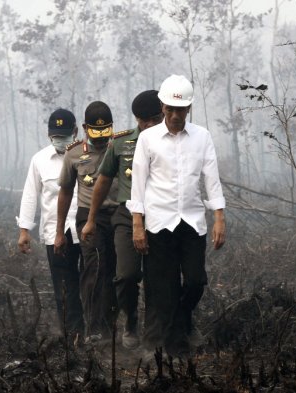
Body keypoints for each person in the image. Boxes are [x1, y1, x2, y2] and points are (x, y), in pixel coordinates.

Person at [127, 75, 226, 356]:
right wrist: (138, 224)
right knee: (165, 289)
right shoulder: (147, 139)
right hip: (159, 224)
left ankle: (180, 323)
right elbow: (138, 184)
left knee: (195, 281)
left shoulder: (202, 137)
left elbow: (212, 179)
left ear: (189, 109)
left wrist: (219, 217)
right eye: (169, 110)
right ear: (162, 108)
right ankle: (175, 349)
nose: (174, 116)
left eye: (180, 110)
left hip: (192, 223)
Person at [80, 90, 164, 349]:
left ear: (162, 115)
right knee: (126, 275)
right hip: (126, 215)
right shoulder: (122, 142)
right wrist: (91, 219)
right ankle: (130, 320)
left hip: (162, 215)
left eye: (152, 119)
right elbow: (103, 181)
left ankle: (155, 334)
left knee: (159, 277)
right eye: (141, 120)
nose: (146, 125)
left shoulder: (174, 141)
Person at [17, 108, 84, 340]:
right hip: (55, 233)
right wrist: (24, 230)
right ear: (48, 135)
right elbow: (30, 195)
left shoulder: (88, 155)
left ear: (75, 132)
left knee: (89, 285)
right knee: (63, 289)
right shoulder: (40, 160)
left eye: (65, 135)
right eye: (56, 136)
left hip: (86, 230)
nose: (61, 141)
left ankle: (95, 333)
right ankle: (71, 337)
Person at [56, 101, 119, 343]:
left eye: (106, 132)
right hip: (89, 217)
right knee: (94, 267)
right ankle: (93, 326)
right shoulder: (74, 154)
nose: (101, 138)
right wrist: (59, 232)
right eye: (96, 132)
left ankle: (111, 323)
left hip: (119, 214)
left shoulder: (121, 147)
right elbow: (65, 192)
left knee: (115, 271)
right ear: (85, 128)